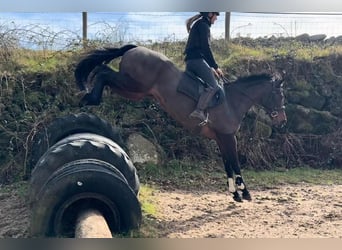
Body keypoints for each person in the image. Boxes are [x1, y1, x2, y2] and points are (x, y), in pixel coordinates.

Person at [184, 12, 224, 122]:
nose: (216, 18)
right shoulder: (204, 26)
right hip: (197, 61)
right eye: (216, 15)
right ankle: (199, 111)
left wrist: (210, 67)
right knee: (213, 86)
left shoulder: (199, 24)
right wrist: (215, 66)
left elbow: (200, 49)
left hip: (191, 61)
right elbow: (206, 48)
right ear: (210, 14)